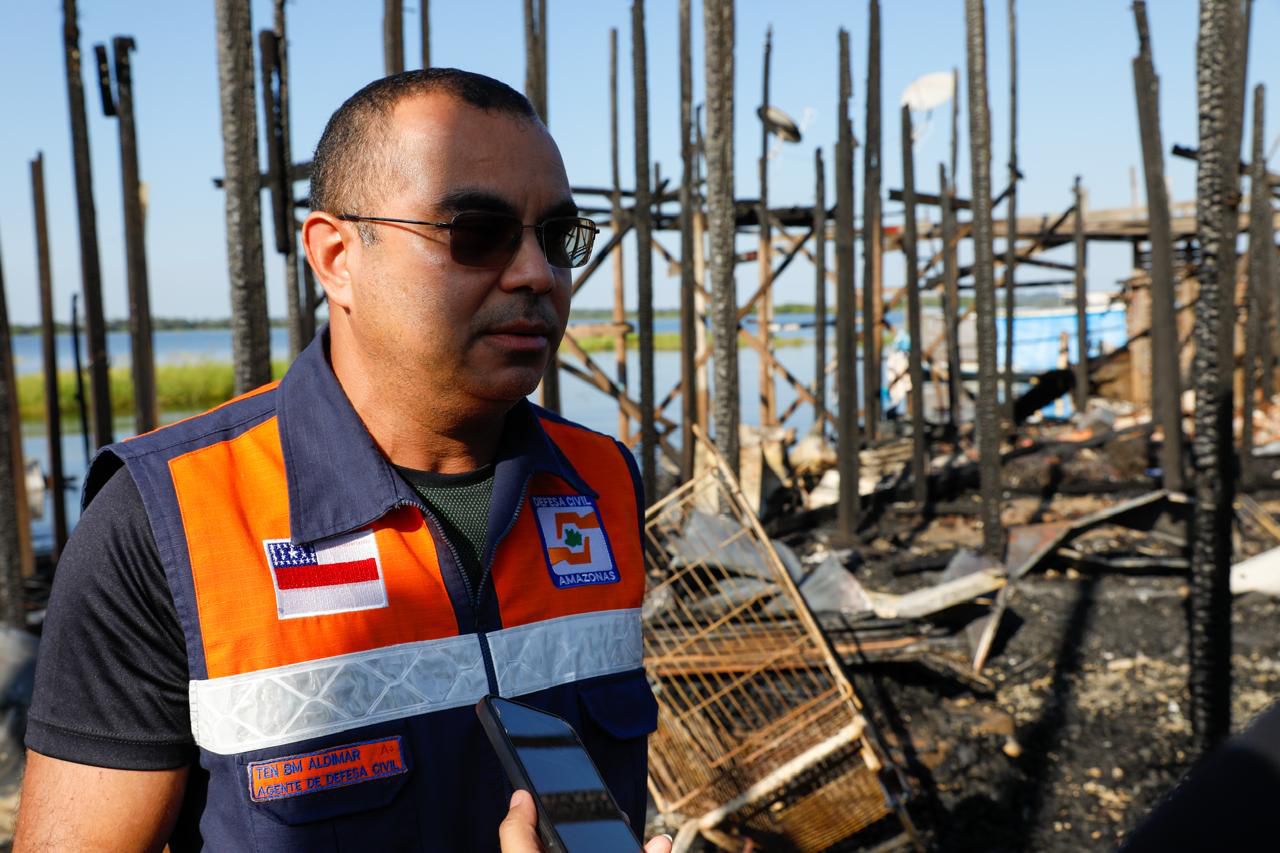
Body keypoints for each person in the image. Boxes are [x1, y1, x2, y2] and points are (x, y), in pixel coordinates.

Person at [16, 68, 657, 852]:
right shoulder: (167, 520)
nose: (535, 275)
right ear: (334, 254)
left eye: (557, 238)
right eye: (476, 234)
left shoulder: (604, 483)